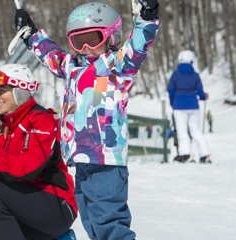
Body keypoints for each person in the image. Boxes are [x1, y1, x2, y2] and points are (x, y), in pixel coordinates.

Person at [14, 1, 160, 239]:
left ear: (111, 37)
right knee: (92, 223)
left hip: (106, 161)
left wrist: (146, 19)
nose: (85, 47)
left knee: (109, 222)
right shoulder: (71, 66)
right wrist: (31, 36)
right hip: (80, 161)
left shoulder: (118, 66)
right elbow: (51, 55)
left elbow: (138, 46)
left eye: (92, 39)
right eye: (77, 41)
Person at [0, 64, 77, 240]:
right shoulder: (5, 129)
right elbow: (4, 183)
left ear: (21, 91)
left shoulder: (41, 121)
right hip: (30, 208)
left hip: (57, 206)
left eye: (2, 91)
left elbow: (28, 167)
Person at [167, 50, 211, 164]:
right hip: (193, 105)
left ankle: (185, 154)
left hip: (179, 105)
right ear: (191, 61)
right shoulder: (195, 75)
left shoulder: (175, 74)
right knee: (196, 130)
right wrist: (203, 97)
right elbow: (200, 91)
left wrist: (172, 102)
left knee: (182, 131)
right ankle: (205, 154)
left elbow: (171, 90)